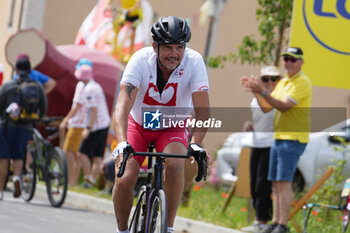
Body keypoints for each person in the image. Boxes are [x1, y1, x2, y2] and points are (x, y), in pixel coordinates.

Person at [112, 16, 210, 233]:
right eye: (167, 47)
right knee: (125, 178)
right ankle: (122, 230)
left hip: (172, 126)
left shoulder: (194, 62)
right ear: (155, 46)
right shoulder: (140, 60)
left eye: (179, 47)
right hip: (139, 124)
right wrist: (121, 142)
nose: (174, 54)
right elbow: (122, 105)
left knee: (175, 166)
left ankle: (168, 228)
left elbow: (203, 110)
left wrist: (196, 143)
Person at [241, 47, 312, 233]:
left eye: (293, 59)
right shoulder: (284, 82)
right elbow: (267, 108)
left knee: (284, 182)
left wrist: (261, 91)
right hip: (278, 138)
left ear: (301, 62)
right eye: (286, 59)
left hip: (292, 137)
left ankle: (282, 224)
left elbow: (284, 106)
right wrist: (256, 91)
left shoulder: (302, 82)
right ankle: (275, 222)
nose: (288, 62)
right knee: (275, 183)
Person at [0, 57, 47, 200]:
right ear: (30, 69)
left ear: (15, 69)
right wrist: (34, 120)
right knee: (19, 155)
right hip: (26, 127)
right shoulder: (37, 86)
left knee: (4, 158)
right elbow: (43, 107)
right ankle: (16, 178)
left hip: (7, 126)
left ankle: (0, 191)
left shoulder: (8, 85)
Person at [240, 66, 280, 233]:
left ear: (279, 80)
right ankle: (259, 221)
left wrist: (259, 91)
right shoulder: (256, 99)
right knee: (253, 185)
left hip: (271, 144)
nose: (269, 82)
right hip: (256, 142)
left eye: (273, 78)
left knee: (262, 185)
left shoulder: (278, 97)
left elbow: (271, 110)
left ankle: (263, 221)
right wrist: (250, 125)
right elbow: (260, 119)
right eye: (265, 79)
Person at [77, 63, 111, 188]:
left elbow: (94, 111)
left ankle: (87, 179)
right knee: (97, 156)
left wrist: (87, 128)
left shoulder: (89, 89)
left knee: (82, 152)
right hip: (105, 123)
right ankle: (91, 179)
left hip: (97, 125)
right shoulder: (96, 86)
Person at [59, 58, 91, 186]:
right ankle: (72, 181)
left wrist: (66, 120)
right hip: (83, 124)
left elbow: (77, 105)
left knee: (68, 151)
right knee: (76, 154)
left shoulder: (80, 85)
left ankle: (69, 180)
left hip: (77, 123)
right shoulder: (88, 86)